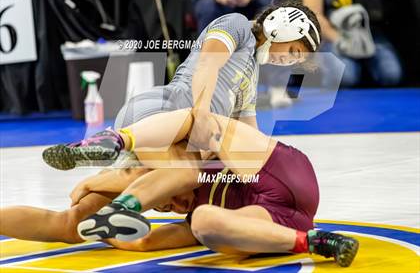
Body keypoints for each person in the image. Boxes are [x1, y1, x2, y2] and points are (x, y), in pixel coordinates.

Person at [0, 109, 359, 268]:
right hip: (275, 222)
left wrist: (95, 183)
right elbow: (143, 241)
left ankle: (116, 139)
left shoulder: (189, 163)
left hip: (273, 169)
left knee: (193, 137)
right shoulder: (189, 209)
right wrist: (90, 227)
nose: (174, 205)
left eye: (166, 198)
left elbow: (183, 147)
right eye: (167, 208)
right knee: (204, 221)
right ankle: (317, 243)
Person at [42, 0, 322, 171]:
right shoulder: (236, 24)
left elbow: (249, 134)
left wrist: (274, 162)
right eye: (294, 52)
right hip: (165, 113)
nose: (287, 62)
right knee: (185, 174)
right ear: (284, 27)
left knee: (175, 178)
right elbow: (207, 65)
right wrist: (200, 115)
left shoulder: (251, 73)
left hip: (175, 132)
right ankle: (110, 143)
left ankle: (94, 195)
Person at [302, 0, 403, 87]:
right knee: (345, 77)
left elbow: (394, 9)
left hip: (370, 34)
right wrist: (340, 39)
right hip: (335, 34)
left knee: (391, 75)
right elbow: (313, 14)